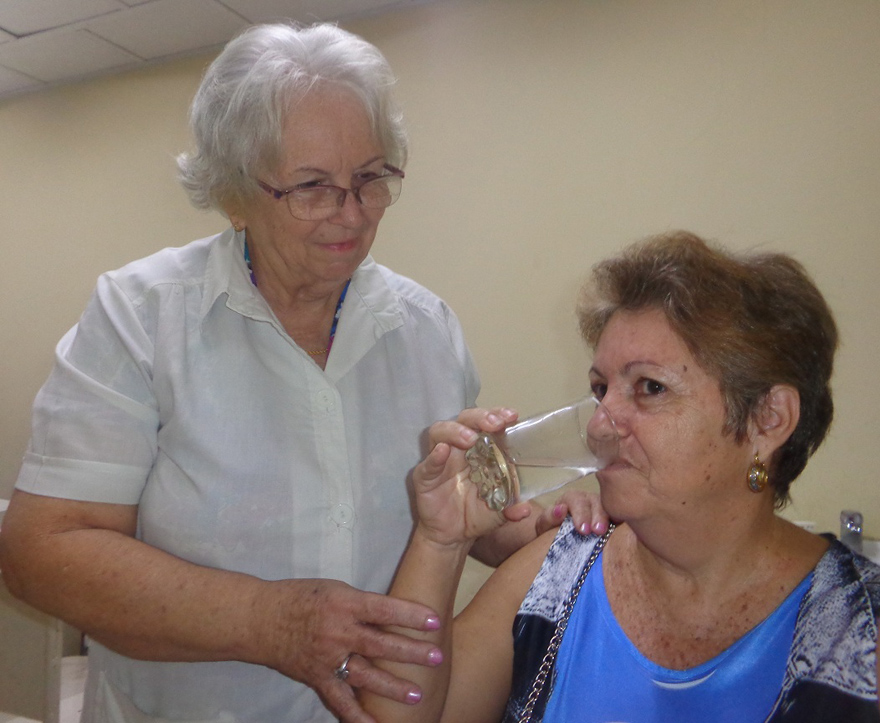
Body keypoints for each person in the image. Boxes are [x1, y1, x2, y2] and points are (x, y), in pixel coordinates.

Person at [0, 23, 605, 723]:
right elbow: (40, 551)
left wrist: (528, 527)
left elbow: (453, 518)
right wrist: (273, 622)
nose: (351, 213)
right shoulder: (141, 318)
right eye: (314, 186)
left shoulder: (426, 329)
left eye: (370, 178)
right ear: (235, 192)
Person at [360, 231, 880, 723]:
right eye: (601, 388)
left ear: (767, 420)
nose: (601, 424)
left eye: (649, 387)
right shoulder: (553, 578)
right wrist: (441, 539)